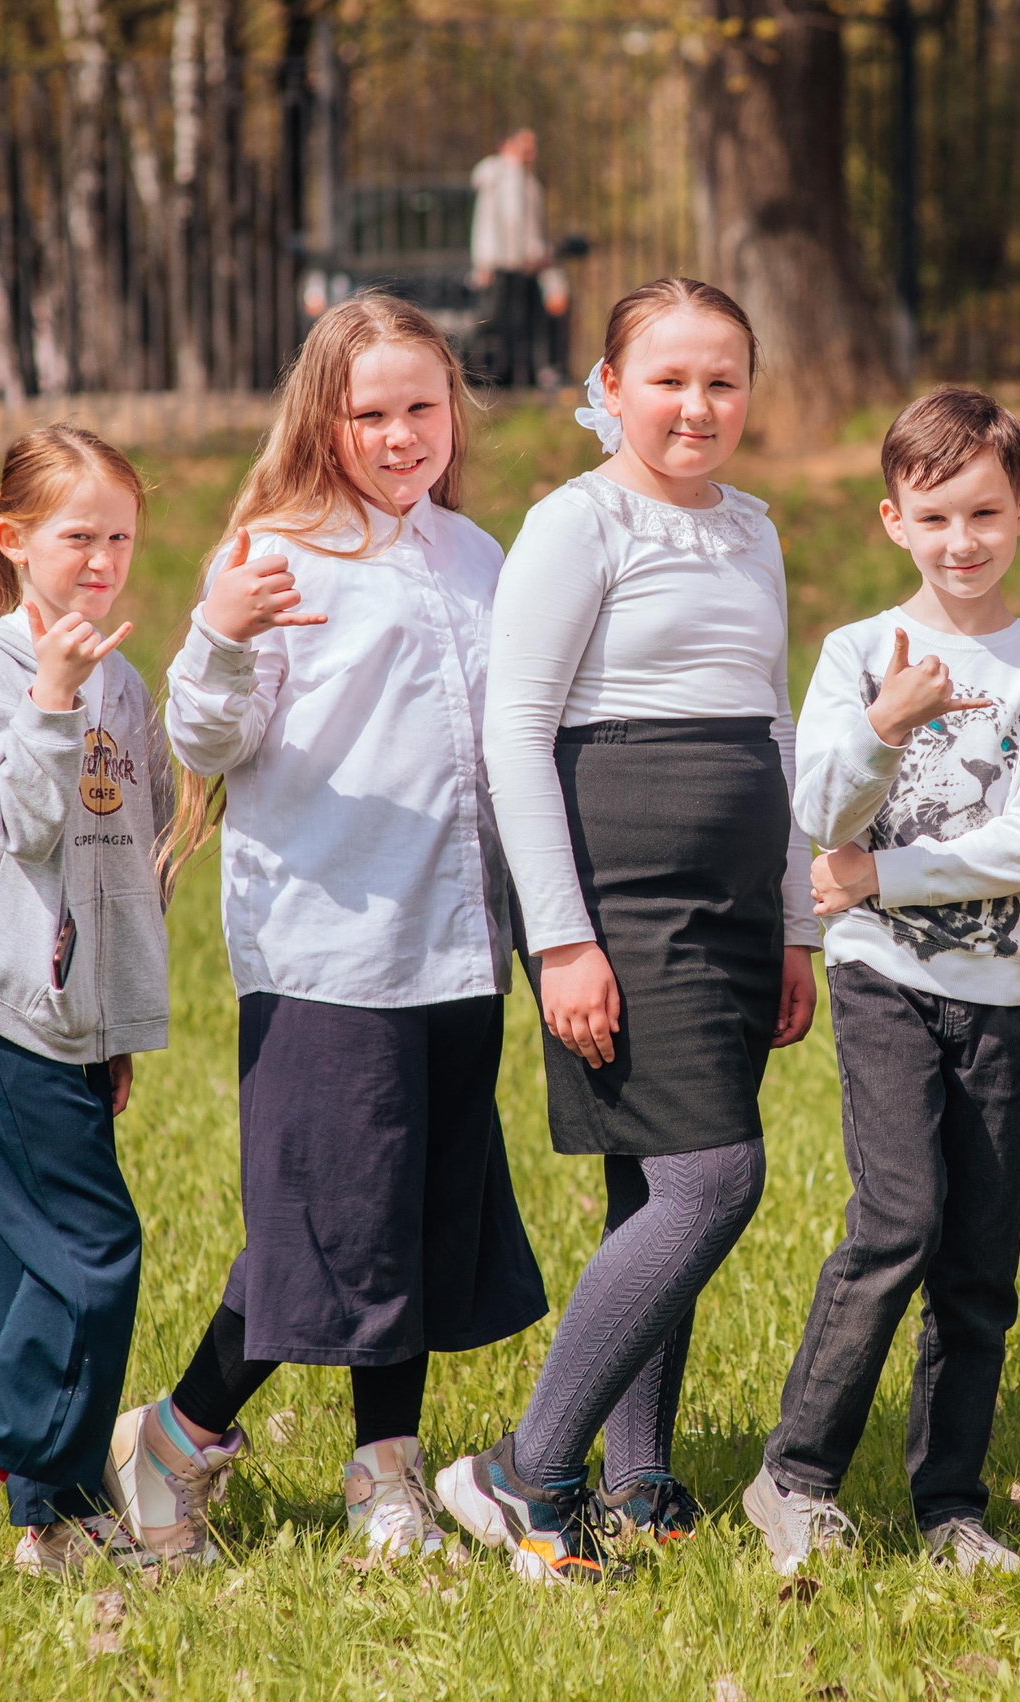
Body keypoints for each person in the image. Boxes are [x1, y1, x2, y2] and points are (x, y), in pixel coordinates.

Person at [108, 292, 547, 1570]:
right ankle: (176, 1443)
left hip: (457, 948)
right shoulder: (276, 552)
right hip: (331, 949)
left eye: (423, 408)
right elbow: (208, 741)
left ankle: (385, 1474)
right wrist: (223, 635)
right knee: (325, 1229)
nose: (401, 434)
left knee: (409, 1227)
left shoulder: (477, 556)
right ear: (325, 419)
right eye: (373, 413)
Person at [439, 278, 820, 1586]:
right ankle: (521, 1466)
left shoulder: (754, 530)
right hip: (622, 895)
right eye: (668, 378)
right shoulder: (576, 521)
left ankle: (635, 1482)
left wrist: (795, 920)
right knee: (715, 1180)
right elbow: (514, 731)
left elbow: (772, 728)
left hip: (732, 901)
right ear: (610, 388)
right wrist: (561, 936)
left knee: (654, 1179)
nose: (697, 404)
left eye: (723, 378)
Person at [744, 388, 1020, 1578]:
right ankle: (794, 1477)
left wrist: (879, 870)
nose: (962, 540)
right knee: (896, 1220)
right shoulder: (854, 655)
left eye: (985, 512)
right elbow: (816, 813)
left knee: (979, 1262)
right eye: (935, 515)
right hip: (883, 983)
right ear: (893, 518)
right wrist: (884, 725)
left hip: (999, 988)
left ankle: (951, 1505)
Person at [0, 425, 170, 1583]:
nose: (102, 558)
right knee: (94, 1251)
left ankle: (49, 1509)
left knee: (32, 1259)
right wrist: (53, 698)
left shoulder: (122, 673)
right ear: (12, 541)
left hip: (64, 1016)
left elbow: (132, 851)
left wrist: (110, 1021)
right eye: (76, 536)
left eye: (121, 537)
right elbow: (24, 824)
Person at [470, 129, 553, 389]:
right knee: (493, 322)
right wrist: (485, 261)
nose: (530, 152)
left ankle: (520, 377)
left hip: (521, 266)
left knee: (520, 324)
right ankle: (485, 375)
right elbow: (494, 223)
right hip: (499, 264)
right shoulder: (499, 174)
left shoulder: (527, 182)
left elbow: (527, 226)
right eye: (524, 145)